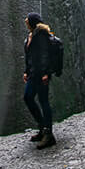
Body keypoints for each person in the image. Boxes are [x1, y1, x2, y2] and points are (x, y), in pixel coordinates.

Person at [23, 12, 56, 149]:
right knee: (28, 97)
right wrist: (26, 71)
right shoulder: (31, 36)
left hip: (41, 75)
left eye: (27, 20)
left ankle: (48, 135)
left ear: (32, 23)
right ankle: (42, 127)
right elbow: (30, 56)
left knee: (43, 101)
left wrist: (46, 73)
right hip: (33, 74)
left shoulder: (41, 36)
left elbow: (45, 55)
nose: (25, 22)